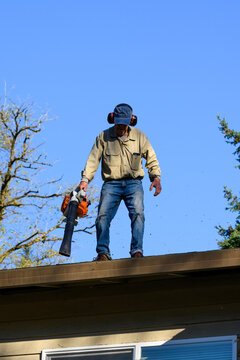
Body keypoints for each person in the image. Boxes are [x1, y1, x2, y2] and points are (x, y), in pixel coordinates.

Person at [79, 103, 161, 261]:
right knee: (102, 216)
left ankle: (137, 251)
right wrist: (85, 180)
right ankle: (103, 252)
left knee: (138, 214)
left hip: (134, 184)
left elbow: (152, 159)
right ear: (112, 120)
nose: (121, 127)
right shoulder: (103, 137)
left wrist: (155, 178)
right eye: (118, 123)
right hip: (111, 185)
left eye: (124, 123)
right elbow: (92, 160)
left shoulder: (140, 137)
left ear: (131, 121)